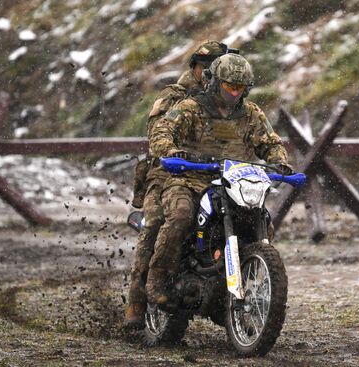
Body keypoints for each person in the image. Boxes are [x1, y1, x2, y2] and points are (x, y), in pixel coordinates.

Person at [145, 53, 292, 307]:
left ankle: (247, 281)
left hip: (234, 182)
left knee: (262, 222)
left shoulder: (251, 114)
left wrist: (279, 161)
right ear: (215, 82)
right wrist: (170, 150)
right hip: (189, 178)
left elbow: (270, 142)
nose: (234, 93)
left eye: (240, 88)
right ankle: (157, 279)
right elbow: (162, 130)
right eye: (229, 86)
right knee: (180, 215)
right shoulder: (191, 107)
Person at [124, 40, 238, 330]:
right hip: (167, 174)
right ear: (199, 68)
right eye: (212, 67)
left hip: (215, 174)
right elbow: (157, 134)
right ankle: (139, 297)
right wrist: (172, 151)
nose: (218, 73)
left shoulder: (230, 101)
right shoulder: (175, 96)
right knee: (163, 221)